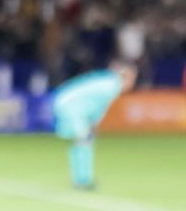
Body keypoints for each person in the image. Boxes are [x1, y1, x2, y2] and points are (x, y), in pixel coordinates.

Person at [52, 61, 138, 190]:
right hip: (72, 106)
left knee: (81, 141)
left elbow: (91, 101)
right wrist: (94, 124)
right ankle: (83, 180)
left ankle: (81, 179)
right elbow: (99, 107)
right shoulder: (112, 85)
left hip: (66, 102)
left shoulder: (106, 80)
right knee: (83, 141)